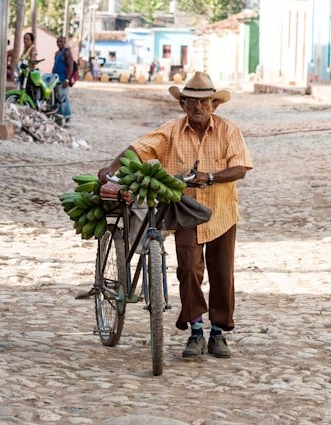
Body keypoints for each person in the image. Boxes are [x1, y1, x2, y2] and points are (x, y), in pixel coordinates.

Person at [97, 72, 253, 359]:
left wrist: (209, 177)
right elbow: (138, 148)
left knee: (222, 274)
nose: (198, 108)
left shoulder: (229, 130)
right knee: (188, 270)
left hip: (222, 212)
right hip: (184, 211)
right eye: (191, 102)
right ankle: (195, 330)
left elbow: (241, 168)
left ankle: (218, 332)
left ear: (214, 106)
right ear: (182, 104)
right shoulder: (170, 131)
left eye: (204, 102)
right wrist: (112, 166)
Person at [52, 36, 74, 124]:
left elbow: (70, 66)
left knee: (62, 98)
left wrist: (67, 79)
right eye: (57, 41)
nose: (59, 43)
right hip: (56, 79)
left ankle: (61, 117)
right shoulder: (57, 53)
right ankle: (67, 115)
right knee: (61, 97)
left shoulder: (67, 52)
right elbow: (55, 65)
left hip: (63, 79)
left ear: (64, 42)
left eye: (61, 41)